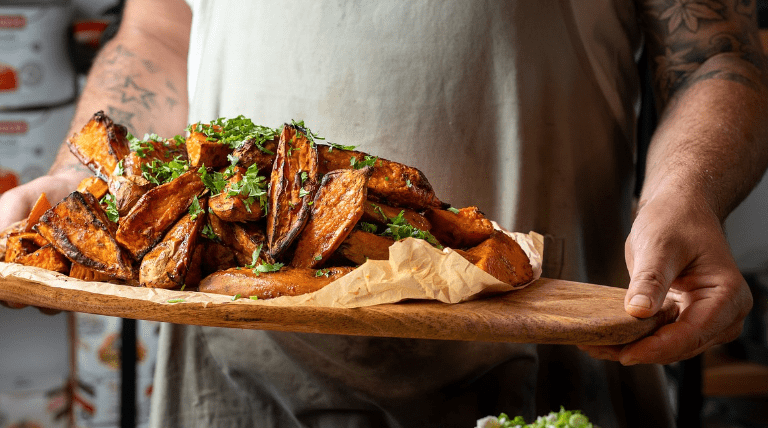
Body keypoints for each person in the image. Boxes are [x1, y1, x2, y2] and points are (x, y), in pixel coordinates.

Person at [1, 0, 766, 426]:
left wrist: (686, 193)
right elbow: (163, 31)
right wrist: (84, 178)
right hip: (232, 378)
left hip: (539, 361)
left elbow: (715, 54)